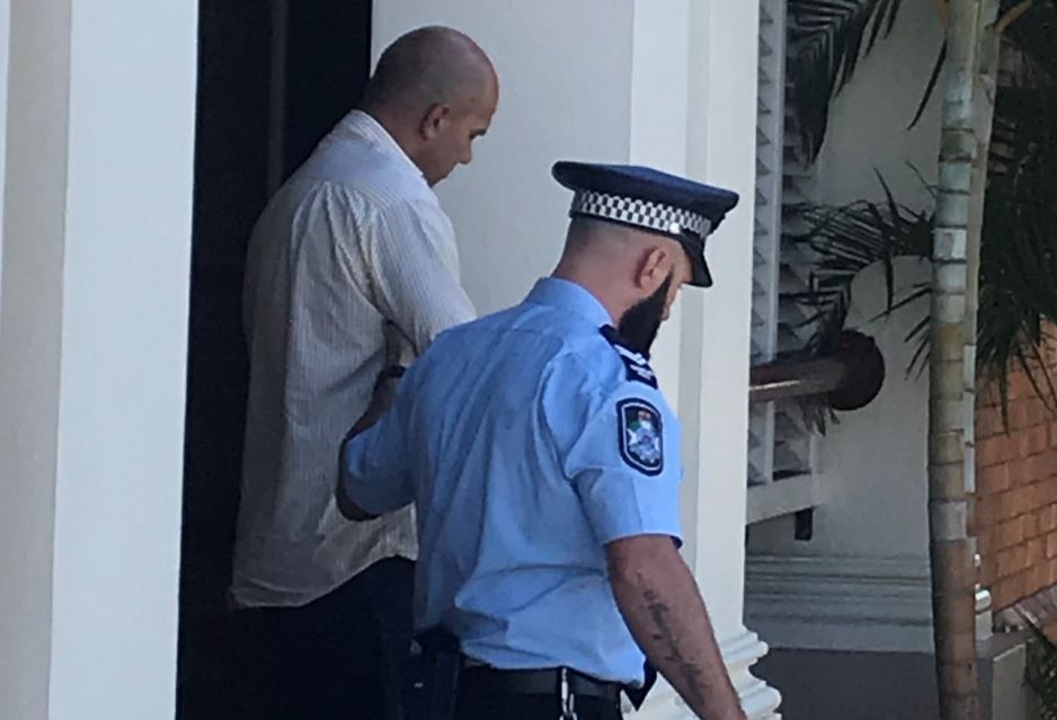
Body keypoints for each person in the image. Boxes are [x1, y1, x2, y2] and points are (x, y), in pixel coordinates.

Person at [337, 161, 749, 720]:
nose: (669, 308)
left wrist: (389, 386)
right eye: (675, 285)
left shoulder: (452, 354)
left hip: (442, 697)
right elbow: (644, 567)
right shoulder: (609, 381)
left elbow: (358, 489)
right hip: (549, 701)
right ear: (652, 267)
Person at [231, 25, 498, 720]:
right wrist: (399, 380)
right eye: (472, 135)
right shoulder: (393, 202)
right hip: (356, 554)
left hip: (276, 541)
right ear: (434, 119)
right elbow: (459, 361)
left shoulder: (301, 191)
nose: (468, 157)